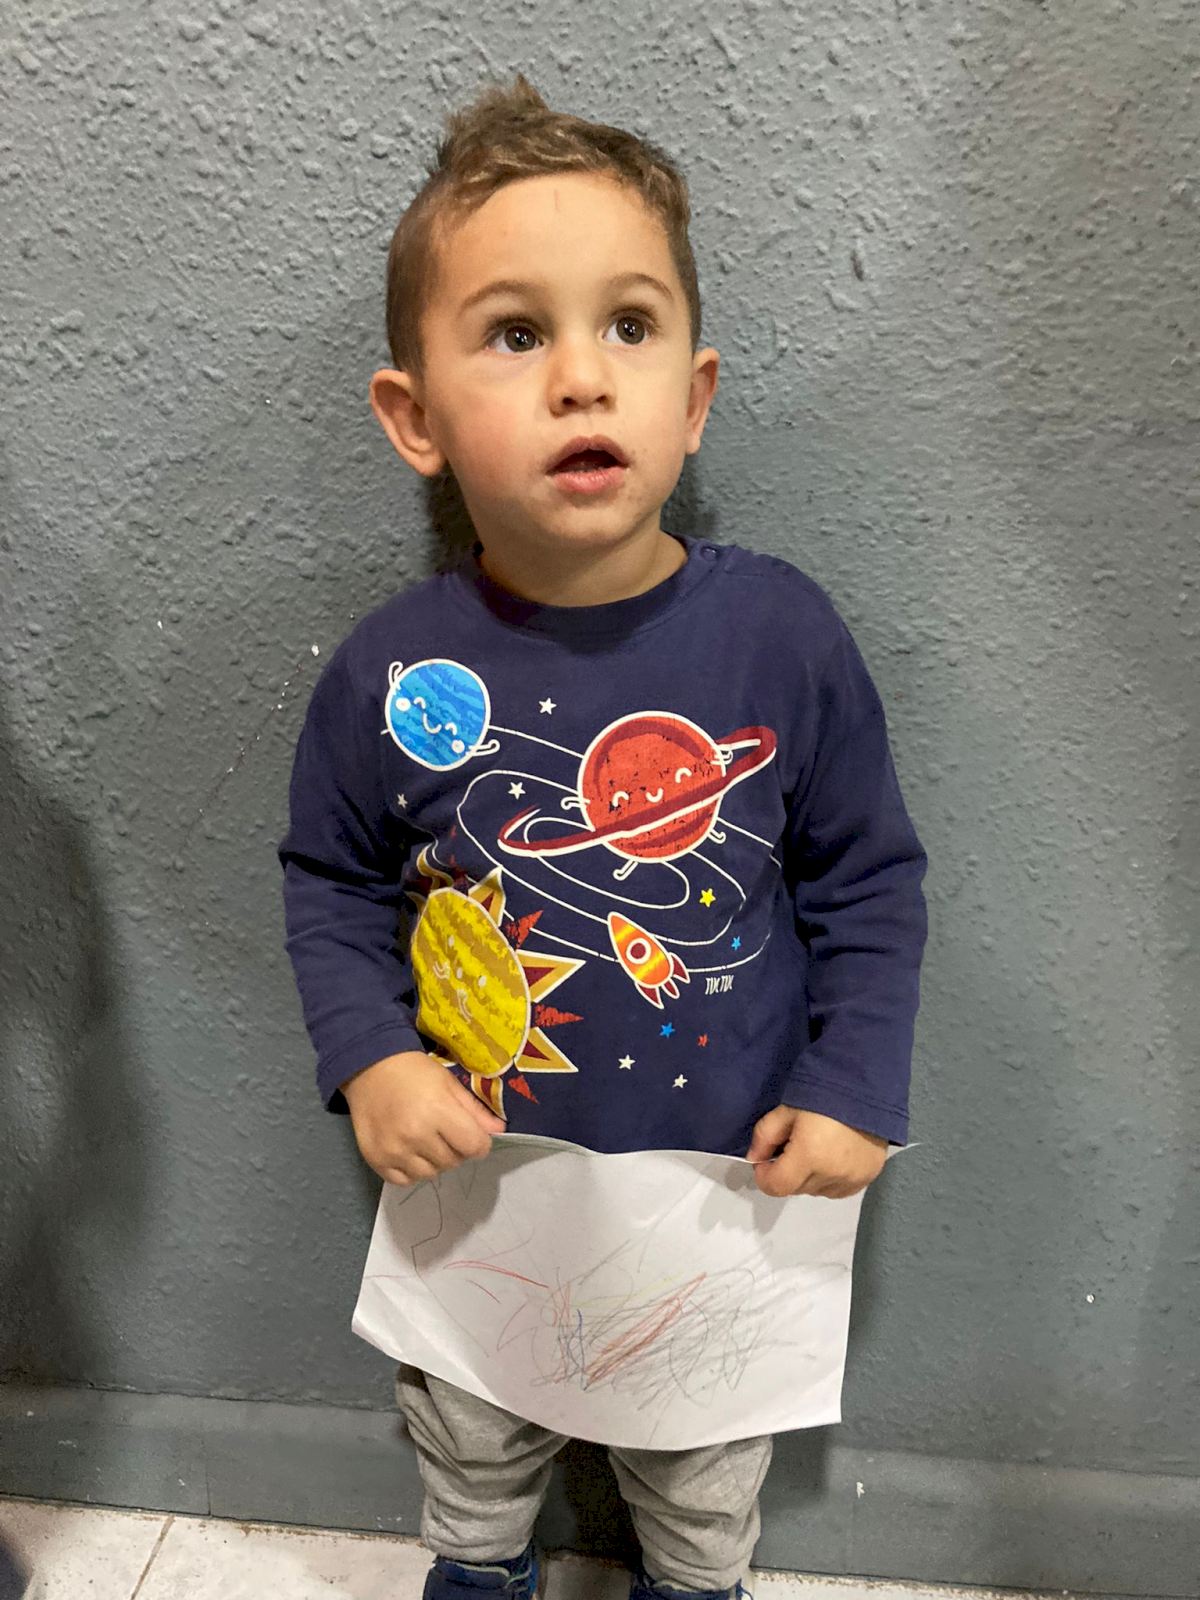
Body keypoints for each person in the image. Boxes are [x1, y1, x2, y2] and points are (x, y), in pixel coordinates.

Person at [279, 73, 928, 1600]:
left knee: (700, 1501)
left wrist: (856, 1085)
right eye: (516, 335)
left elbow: (869, 881)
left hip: (729, 1194)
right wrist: (371, 1060)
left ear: (692, 399)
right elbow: (330, 878)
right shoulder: (390, 672)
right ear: (415, 418)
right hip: (480, 1190)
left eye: (627, 326)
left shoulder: (781, 640)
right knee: (469, 1459)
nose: (582, 378)